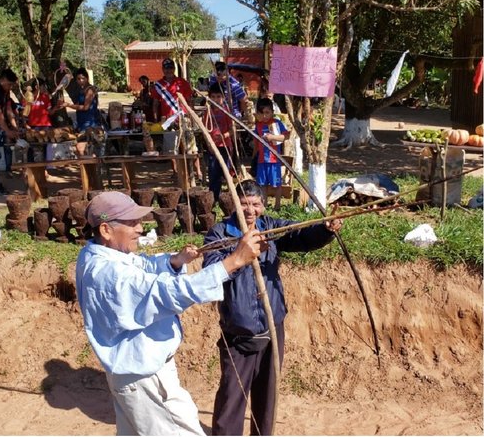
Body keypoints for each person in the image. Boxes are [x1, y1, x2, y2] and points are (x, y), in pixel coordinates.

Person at [75, 191, 263, 436]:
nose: (140, 229)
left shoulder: (97, 254)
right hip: (147, 381)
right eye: (132, 223)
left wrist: (175, 261)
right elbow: (170, 292)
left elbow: (140, 265)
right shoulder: (109, 275)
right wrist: (234, 262)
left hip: (135, 378)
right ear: (106, 230)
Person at [203, 179, 343, 436]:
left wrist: (324, 229)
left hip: (271, 327)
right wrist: (241, 253)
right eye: (243, 204)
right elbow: (211, 270)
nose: (250, 210)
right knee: (232, 396)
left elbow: (299, 235)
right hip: (239, 332)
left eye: (255, 204)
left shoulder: (270, 227)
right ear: (234, 205)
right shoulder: (220, 233)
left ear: (263, 207)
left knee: (267, 395)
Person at [150, 58, 199, 177]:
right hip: (167, 120)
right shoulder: (158, 85)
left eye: (171, 68)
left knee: (191, 147)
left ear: (174, 69)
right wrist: (157, 121)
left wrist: (192, 117)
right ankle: (176, 172)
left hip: (184, 117)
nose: (168, 70)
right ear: (163, 69)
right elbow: (155, 104)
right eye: (166, 68)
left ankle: (197, 172)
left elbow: (189, 101)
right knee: (171, 148)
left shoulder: (182, 83)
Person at [253, 97, 290, 210]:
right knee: (262, 184)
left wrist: (272, 137)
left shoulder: (277, 123)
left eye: (267, 113)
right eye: (262, 113)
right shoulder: (258, 126)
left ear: (272, 112)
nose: (265, 116)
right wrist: (254, 155)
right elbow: (255, 142)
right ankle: (264, 204)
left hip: (274, 160)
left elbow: (286, 136)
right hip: (262, 160)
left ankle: (277, 205)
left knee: (276, 184)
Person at [204, 83, 234, 204]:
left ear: (223, 98)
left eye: (218, 97)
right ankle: (214, 197)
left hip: (225, 147)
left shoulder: (226, 112)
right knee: (213, 172)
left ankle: (229, 198)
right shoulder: (208, 112)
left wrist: (224, 136)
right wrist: (209, 144)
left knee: (226, 171)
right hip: (213, 147)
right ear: (210, 98)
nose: (216, 99)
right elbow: (205, 130)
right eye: (213, 97)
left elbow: (232, 129)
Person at [64, 67, 104, 158]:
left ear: (87, 78)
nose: (81, 81)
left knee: (82, 147)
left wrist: (68, 105)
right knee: (80, 149)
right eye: (78, 79)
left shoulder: (90, 90)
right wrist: (64, 105)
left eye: (83, 78)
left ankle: (91, 168)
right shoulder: (82, 90)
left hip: (90, 122)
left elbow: (86, 107)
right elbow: (78, 104)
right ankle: (87, 168)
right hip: (81, 121)